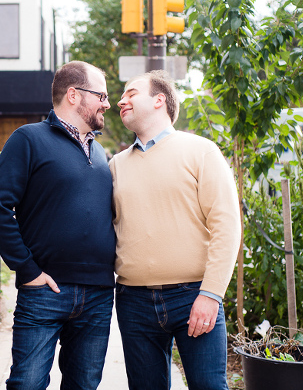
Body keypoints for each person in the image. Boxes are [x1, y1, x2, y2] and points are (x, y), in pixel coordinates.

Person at [0, 61, 116, 390]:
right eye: (101, 95)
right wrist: (27, 269)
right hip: (45, 291)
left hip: (98, 296)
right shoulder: (28, 139)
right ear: (73, 95)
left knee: (84, 386)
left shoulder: (100, 152)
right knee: (27, 384)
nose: (107, 104)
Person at [109, 70, 241, 390]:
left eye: (131, 93)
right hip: (133, 301)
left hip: (194, 296)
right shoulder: (115, 165)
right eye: (121, 96)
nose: (121, 101)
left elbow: (226, 226)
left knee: (209, 387)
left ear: (159, 100)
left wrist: (211, 294)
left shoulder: (201, 151)